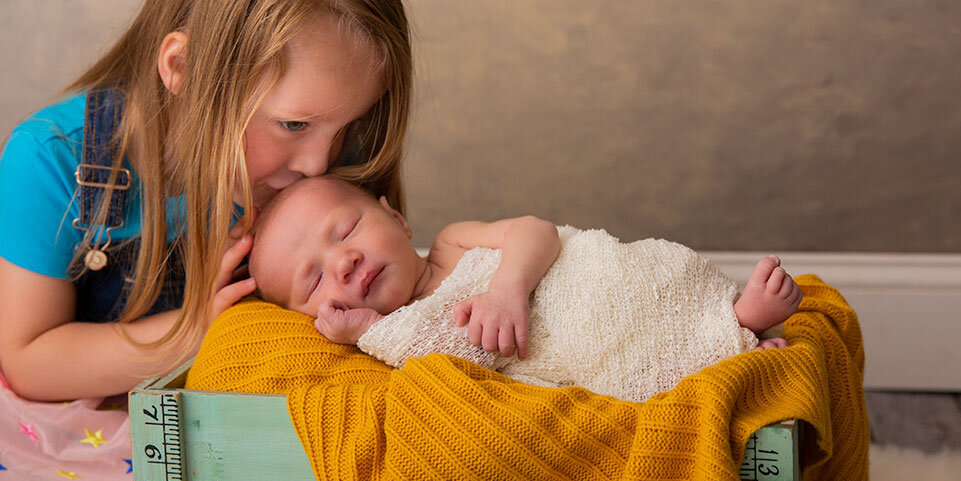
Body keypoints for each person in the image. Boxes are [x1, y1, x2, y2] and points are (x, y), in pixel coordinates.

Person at [0, 0, 413, 481]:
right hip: (69, 379)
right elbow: (31, 359)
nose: (320, 162)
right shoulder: (56, 162)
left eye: (346, 124)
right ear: (184, 70)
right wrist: (191, 330)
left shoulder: (309, 174)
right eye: (295, 125)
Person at [248, 176, 798, 403]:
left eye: (346, 230)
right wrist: (370, 332)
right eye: (314, 280)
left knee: (646, 281)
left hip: (585, 279)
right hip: (575, 351)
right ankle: (735, 340)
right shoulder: (395, 347)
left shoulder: (452, 244)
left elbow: (538, 231)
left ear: (397, 217)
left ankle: (725, 315)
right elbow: (456, 364)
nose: (343, 262)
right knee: (624, 371)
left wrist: (509, 289)